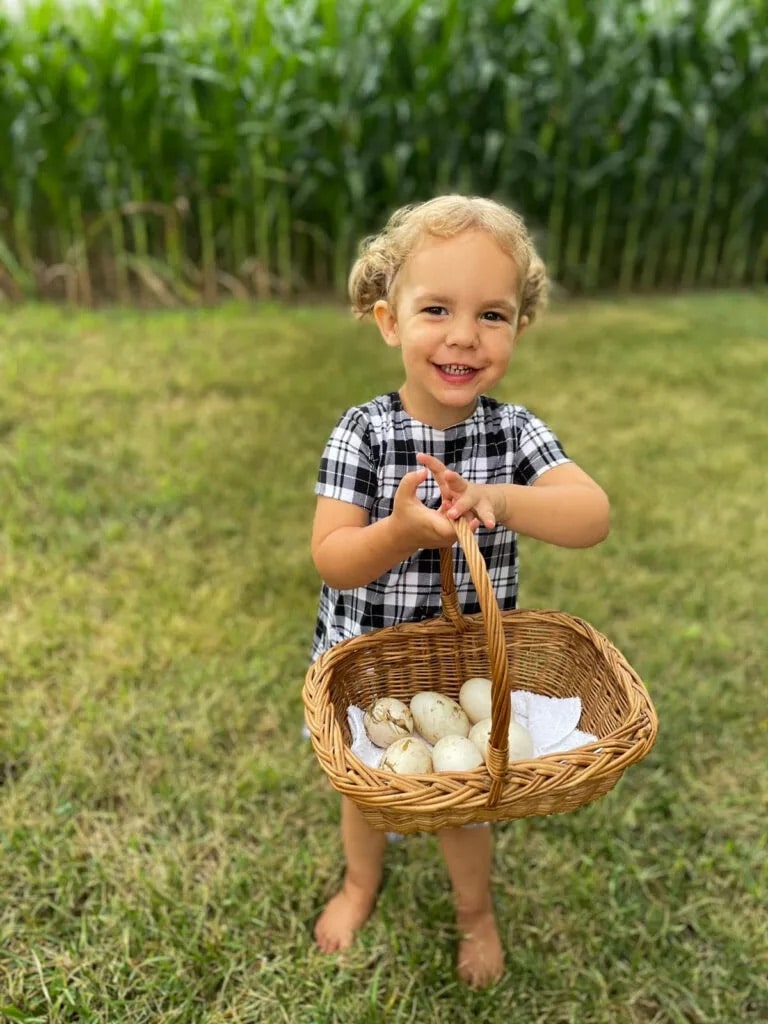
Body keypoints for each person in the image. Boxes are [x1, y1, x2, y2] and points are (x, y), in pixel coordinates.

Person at [308, 194, 610, 987]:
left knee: (466, 801)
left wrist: (504, 499)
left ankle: (475, 913)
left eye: (493, 315)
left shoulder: (514, 434)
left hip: (471, 666)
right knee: (371, 791)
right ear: (389, 321)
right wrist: (402, 532)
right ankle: (359, 882)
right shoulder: (364, 433)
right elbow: (333, 559)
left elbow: (591, 515)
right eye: (436, 308)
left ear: (519, 326)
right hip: (369, 671)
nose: (464, 336)